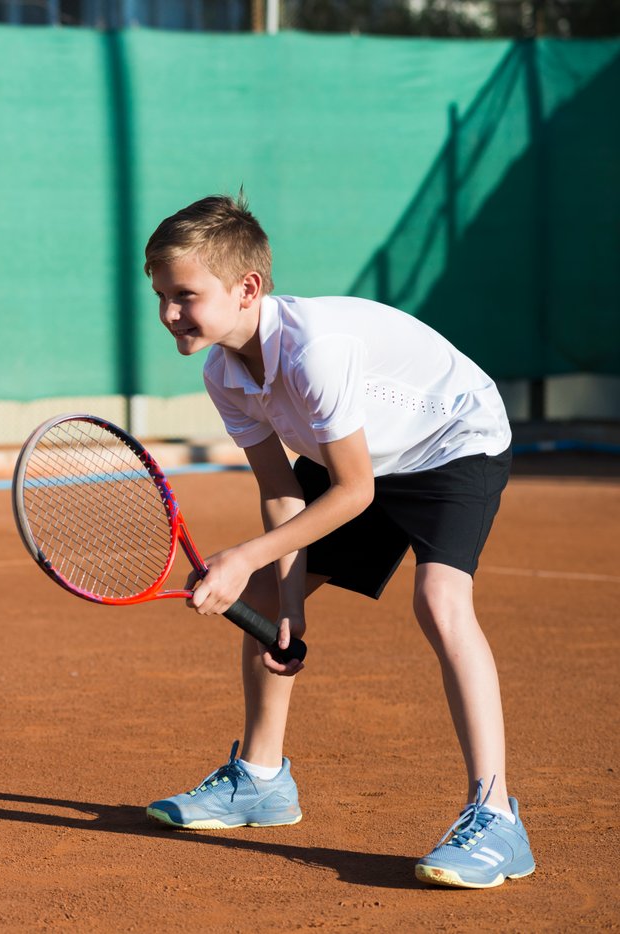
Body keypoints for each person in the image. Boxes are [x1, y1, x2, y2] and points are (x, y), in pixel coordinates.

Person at [140, 193, 532, 889]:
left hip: (451, 442)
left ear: (247, 288)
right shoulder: (223, 372)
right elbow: (282, 490)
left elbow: (355, 494)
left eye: (184, 295)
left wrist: (246, 555)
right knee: (263, 591)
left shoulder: (315, 351)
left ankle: (497, 817)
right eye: (161, 295)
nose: (169, 312)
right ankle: (261, 780)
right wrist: (285, 603)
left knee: (441, 599)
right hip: (357, 455)